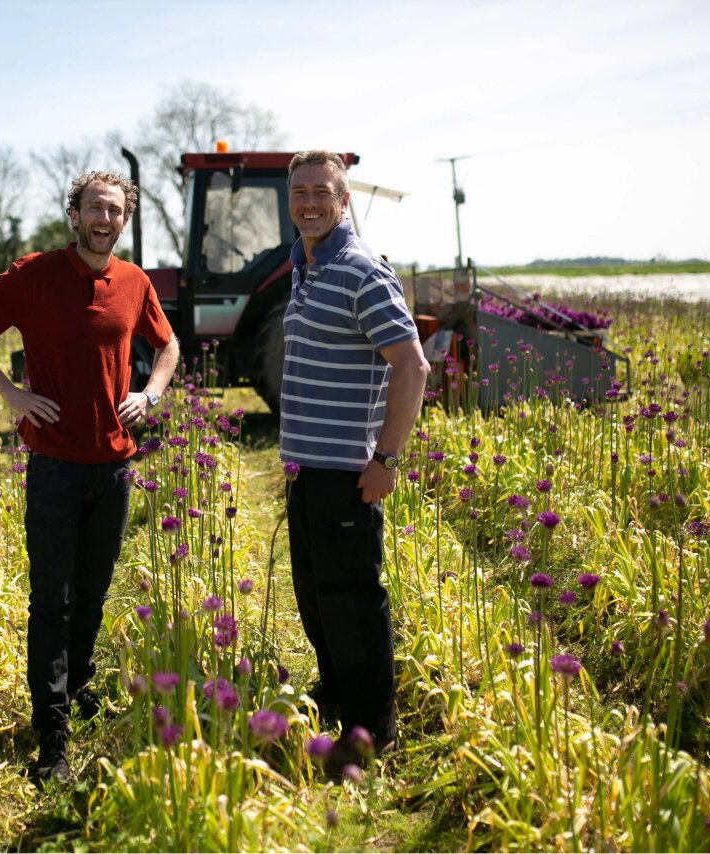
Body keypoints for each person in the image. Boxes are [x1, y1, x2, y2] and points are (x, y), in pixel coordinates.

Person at [0, 171, 179, 783]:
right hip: (53, 466)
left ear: (124, 221)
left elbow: (169, 345)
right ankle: (51, 737)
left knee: (94, 595)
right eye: (95, 209)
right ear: (73, 215)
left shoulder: (133, 281)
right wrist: (10, 393)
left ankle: (75, 690)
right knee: (53, 602)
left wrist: (150, 395)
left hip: (115, 465)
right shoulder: (33, 275)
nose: (106, 219)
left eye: (116, 211)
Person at [279, 150, 429, 772]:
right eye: (299, 194)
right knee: (316, 595)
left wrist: (386, 458)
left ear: (343, 202)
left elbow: (412, 366)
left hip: (347, 470)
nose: (309, 202)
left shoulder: (362, 270)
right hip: (307, 468)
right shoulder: (307, 265)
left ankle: (371, 730)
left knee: (352, 598)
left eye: (322, 192)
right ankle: (339, 694)